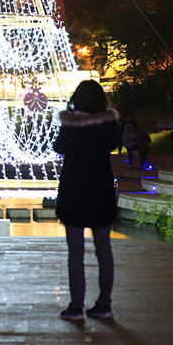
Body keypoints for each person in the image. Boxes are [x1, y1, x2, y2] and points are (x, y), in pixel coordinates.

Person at [53, 80, 119, 321]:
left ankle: (76, 306)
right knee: (104, 250)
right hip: (101, 192)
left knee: (76, 254)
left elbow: (58, 147)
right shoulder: (109, 125)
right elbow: (114, 144)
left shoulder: (71, 126)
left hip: (75, 193)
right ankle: (104, 304)